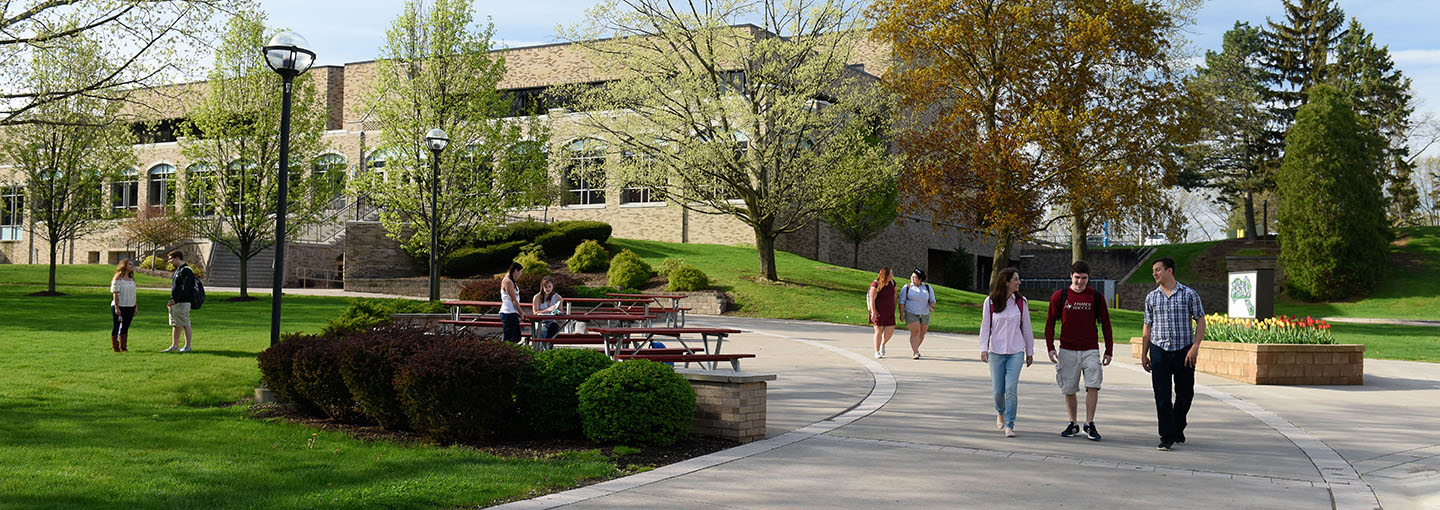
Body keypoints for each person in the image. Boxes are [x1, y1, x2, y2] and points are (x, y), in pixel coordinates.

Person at [1142, 257, 1206, 451]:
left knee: (1186, 394)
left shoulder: (1189, 294)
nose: (1154, 273)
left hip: (1184, 351)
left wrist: (1195, 346)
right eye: (1153, 270)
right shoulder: (1151, 297)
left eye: (1158, 269)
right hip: (1159, 350)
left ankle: (1177, 426)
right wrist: (1144, 354)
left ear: (1169, 271)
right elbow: (1147, 326)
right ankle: (1167, 436)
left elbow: (1201, 320)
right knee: (1162, 395)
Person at [1045, 260, 1114, 441]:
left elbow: (1106, 323)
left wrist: (1109, 350)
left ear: (1088, 278)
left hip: (1090, 349)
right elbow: (1050, 323)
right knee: (1069, 388)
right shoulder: (1060, 296)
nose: (1080, 282)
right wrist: (1050, 348)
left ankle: (1089, 423)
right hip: (1067, 349)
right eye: (1077, 278)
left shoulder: (1096, 297)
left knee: (1093, 385)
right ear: (1071, 276)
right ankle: (1073, 423)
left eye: (1084, 278)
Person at [980, 267, 1033, 438]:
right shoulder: (990, 301)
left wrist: (1029, 351)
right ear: (1006, 281)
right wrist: (983, 348)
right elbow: (985, 327)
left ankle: (1010, 424)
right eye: (1016, 279)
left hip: (1016, 351)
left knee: (1011, 388)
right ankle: (1000, 412)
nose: (1019, 282)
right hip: (996, 351)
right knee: (997, 391)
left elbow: (1027, 329)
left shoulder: (1021, 302)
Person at [898, 268, 937, 360]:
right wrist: (901, 313)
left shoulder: (927, 287)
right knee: (915, 332)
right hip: (911, 312)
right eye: (912, 276)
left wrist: (931, 306)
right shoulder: (907, 287)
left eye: (915, 277)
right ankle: (916, 352)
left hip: (925, 313)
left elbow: (932, 301)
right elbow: (902, 302)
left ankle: (915, 347)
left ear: (920, 279)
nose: (912, 278)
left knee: (922, 333)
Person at [162, 250, 196, 353]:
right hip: (175, 302)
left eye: (170, 259)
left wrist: (176, 300)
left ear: (177, 258)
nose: (169, 261)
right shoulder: (177, 271)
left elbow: (186, 289)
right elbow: (175, 288)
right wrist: (171, 300)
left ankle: (187, 346)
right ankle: (174, 345)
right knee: (175, 324)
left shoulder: (186, 271)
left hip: (183, 302)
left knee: (185, 323)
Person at [867, 267, 897, 359]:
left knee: (890, 331)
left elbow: (894, 295)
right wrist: (873, 312)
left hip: (889, 311)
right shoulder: (875, 284)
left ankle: (883, 344)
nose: (892, 275)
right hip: (878, 311)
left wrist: (894, 308)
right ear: (886, 274)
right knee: (878, 330)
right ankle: (877, 351)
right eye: (891, 273)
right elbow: (872, 299)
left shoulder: (893, 283)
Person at [110, 259, 138, 353]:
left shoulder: (131, 279)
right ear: (124, 265)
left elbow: (134, 294)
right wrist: (117, 308)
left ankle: (124, 346)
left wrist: (135, 307)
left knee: (126, 326)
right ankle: (115, 346)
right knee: (117, 326)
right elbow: (115, 294)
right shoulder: (118, 278)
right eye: (130, 264)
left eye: (132, 264)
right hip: (120, 305)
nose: (131, 266)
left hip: (130, 305)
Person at [499, 262, 524, 343]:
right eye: (521, 271)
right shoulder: (508, 282)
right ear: (516, 271)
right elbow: (513, 300)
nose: (521, 274)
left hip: (512, 312)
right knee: (509, 339)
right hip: (508, 312)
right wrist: (521, 313)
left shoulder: (511, 281)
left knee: (517, 337)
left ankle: (512, 353)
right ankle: (506, 354)